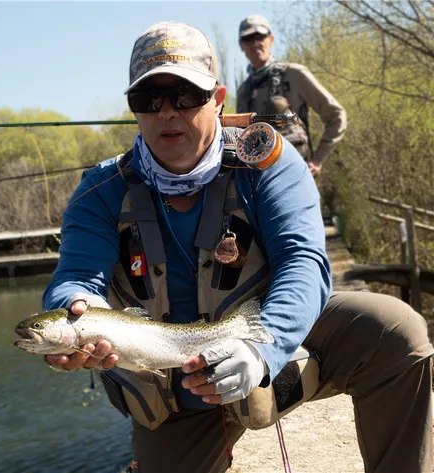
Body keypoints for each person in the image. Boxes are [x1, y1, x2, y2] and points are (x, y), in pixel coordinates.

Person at [41, 21, 433, 473]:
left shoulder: (268, 163)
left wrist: (262, 348)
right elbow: (76, 275)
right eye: (149, 99)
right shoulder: (99, 191)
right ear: (134, 109)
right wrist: (76, 307)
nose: (168, 112)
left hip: (265, 342)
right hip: (173, 390)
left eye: (186, 94)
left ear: (219, 98)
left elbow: (303, 263)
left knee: (394, 331)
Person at [236, 15, 347, 177]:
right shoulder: (243, 91)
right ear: (241, 45)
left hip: (294, 175)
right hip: (257, 183)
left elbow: (337, 116)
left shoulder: (294, 74)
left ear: (271, 39)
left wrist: (318, 159)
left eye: (259, 37)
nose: (254, 44)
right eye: (248, 39)